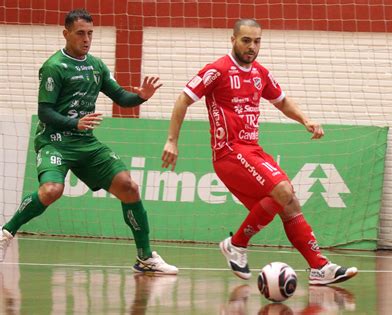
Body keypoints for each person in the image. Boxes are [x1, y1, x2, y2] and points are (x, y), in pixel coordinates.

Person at [161, 18, 357, 285]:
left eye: (257, 41)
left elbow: (282, 100)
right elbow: (183, 98)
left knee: (290, 203)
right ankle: (237, 244)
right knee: (283, 190)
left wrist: (305, 119)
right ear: (233, 40)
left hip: (252, 150)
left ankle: (319, 268)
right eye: (246, 40)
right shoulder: (217, 70)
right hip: (229, 152)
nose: (252, 46)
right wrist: (172, 140)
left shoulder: (260, 74)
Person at [0, 8, 178, 275]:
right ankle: (5, 234)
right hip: (54, 141)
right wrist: (75, 123)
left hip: (86, 143)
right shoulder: (53, 66)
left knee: (128, 186)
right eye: (80, 33)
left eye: (90, 34)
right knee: (51, 190)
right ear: (66, 34)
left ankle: (145, 258)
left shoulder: (96, 66)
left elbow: (120, 97)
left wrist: (140, 96)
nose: (86, 39)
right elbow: (44, 112)